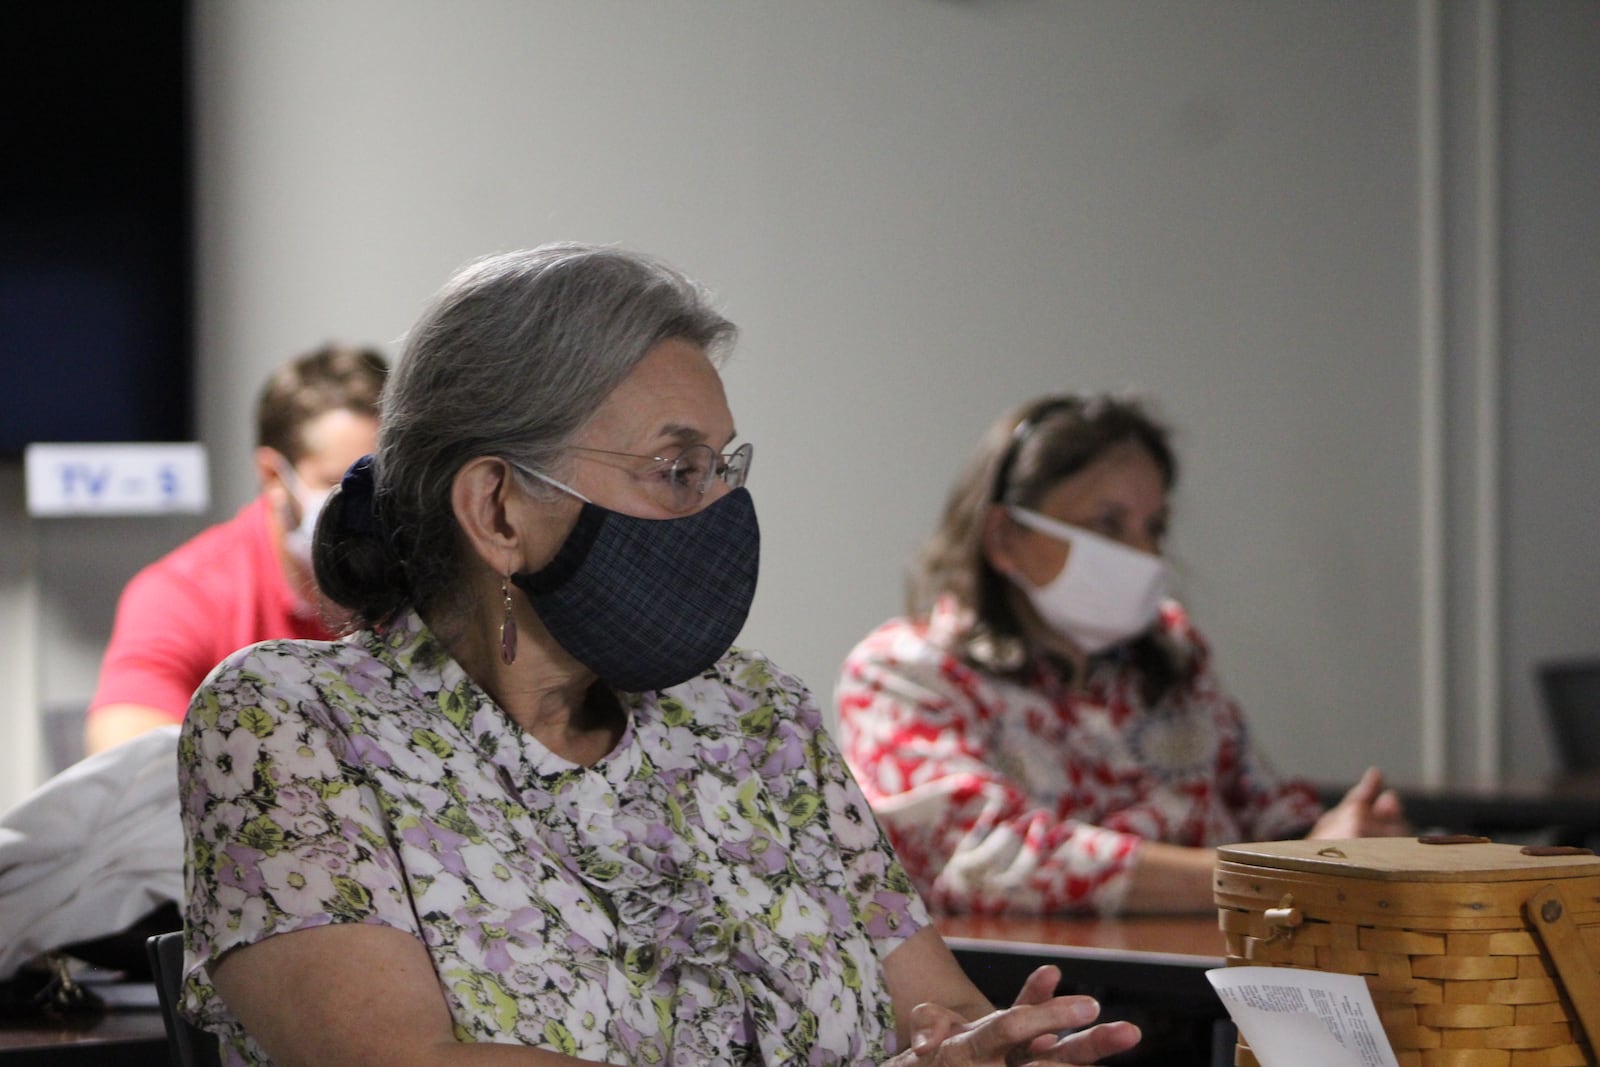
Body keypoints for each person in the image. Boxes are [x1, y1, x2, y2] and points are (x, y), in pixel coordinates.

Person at [176, 245, 1142, 1067]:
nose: (720, 511)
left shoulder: (756, 715)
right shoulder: (292, 722)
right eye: (678, 470)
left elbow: (935, 1009)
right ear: (498, 510)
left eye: (726, 467)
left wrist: (993, 1048)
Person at [836, 394, 1408, 917]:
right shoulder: (905, 673)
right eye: (1107, 524)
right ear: (1004, 538)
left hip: (1219, 981)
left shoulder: (1172, 652)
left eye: (1154, 527)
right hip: (1048, 1004)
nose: (1143, 553)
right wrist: (1281, 879)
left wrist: (1346, 837)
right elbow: (988, 860)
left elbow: (1267, 810)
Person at [84, 344, 388, 755]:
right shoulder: (184, 595)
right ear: (273, 476)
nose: (367, 511)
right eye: (340, 486)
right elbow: (129, 769)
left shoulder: (430, 581)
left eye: (385, 487)